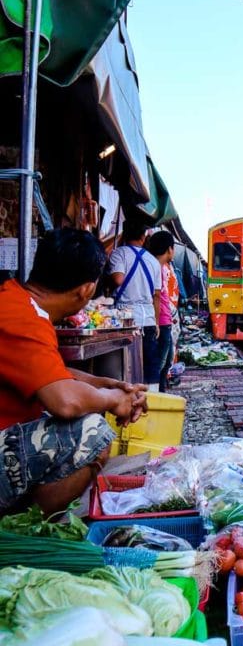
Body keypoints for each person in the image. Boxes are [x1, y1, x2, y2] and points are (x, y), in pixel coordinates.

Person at [0, 229, 147, 515]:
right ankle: (26, 528)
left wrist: (104, 383)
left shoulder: (14, 300)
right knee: (94, 433)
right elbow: (64, 402)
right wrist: (114, 400)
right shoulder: (23, 319)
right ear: (87, 290)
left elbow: (46, 371)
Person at [108, 221, 162, 390]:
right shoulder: (153, 261)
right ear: (143, 236)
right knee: (150, 364)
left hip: (126, 319)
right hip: (148, 319)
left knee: (126, 365)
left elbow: (118, 279)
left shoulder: (119, 253)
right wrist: (157, 322)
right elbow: (157, 295)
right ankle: (153, 400)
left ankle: (127, 401)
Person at [147, 231, 178, 392]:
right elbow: (156, 295)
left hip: (165, 319)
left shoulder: (161, 267)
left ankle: (161, 393)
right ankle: (156, 395)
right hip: (162, 321)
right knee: (160, 362)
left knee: (165, 362)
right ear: (169, 249)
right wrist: (157, 322)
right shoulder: (157, 267)